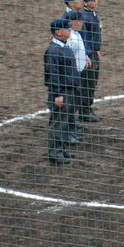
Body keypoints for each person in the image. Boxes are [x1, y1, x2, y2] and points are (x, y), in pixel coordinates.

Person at [45, 19, 80, 164]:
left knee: (64, 122)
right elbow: (53, 75)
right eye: (67, 29)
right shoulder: (53, 51)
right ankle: (55, 153)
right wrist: (57, 94)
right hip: (62, 93)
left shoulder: (65, 47)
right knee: (58, 122)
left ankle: (61, 150)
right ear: (59, 32)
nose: (70, 31)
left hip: (70, 91)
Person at [78, 0, 103, 123]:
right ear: (86, 3)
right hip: (88, 55)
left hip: (93, 53)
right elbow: (84, 39)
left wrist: (97, 50)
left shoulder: (92, 15)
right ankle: (84, 111)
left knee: (92, 83)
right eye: (93, 0)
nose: (96, 2)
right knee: (87, 83)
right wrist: (87, 54)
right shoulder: (85, 17)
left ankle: (87, 108)